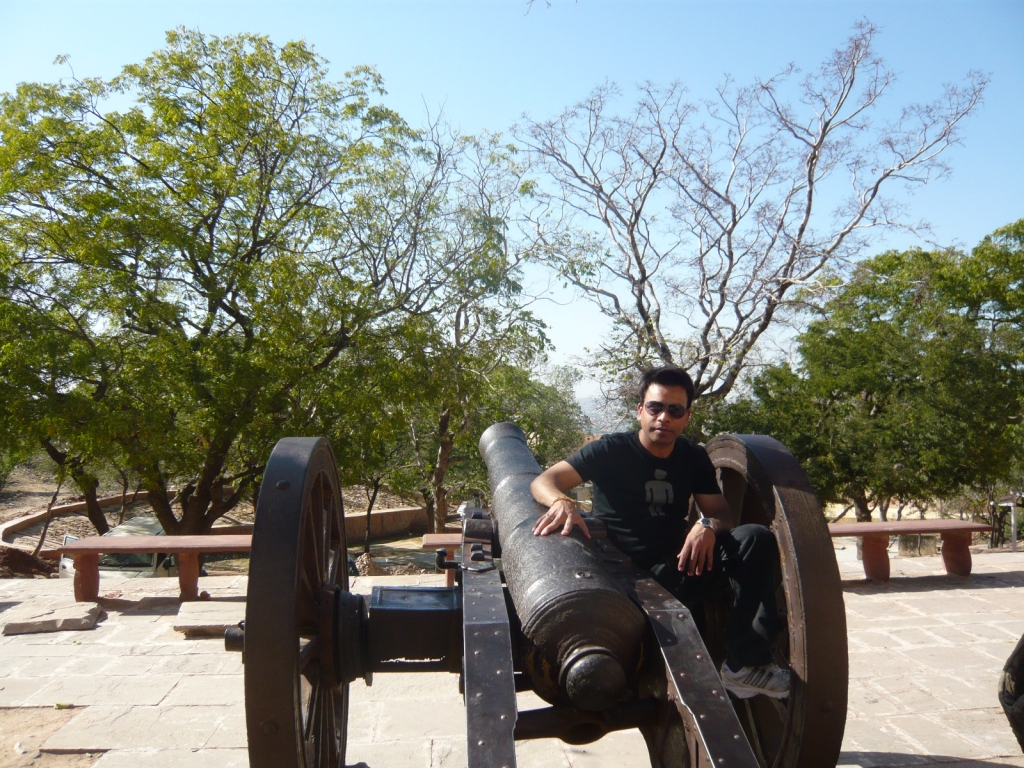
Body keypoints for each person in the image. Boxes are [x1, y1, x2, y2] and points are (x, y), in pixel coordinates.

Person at [530, 365, 789, 700]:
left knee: (754, 538)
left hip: (678, 565)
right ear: (640, 411)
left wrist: (706, 525)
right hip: (623, 575)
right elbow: (543, 481)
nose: (663, 418)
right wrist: (562, 502)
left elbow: (721, 512)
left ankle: (743, 664)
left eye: (674, 410)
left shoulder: (693, 457)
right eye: (655, 407)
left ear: (686, 417)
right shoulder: (610, 451)